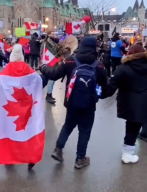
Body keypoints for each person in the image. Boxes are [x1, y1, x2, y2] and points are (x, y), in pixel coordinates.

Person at [40, 36, 109, 169]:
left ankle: (58, 149)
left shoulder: (71, 61)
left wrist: (43, 67)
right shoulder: (98, 65)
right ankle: (80, 159)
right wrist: (98, 95)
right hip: (89, 105)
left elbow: (54, 74)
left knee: (68, 125)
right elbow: (105, 88)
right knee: (84, 131)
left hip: (71, 102)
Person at [105, 44, 147, 163]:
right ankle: (128, 150)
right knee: (135, 126)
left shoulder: (123, 68)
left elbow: (111, 87)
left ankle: (127, 152)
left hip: (128, 101)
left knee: (131, 125)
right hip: (146, 101)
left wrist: (98, 92)